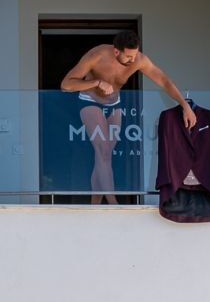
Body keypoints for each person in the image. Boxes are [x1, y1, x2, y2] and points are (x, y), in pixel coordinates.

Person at [60, 30, 195, 205]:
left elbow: (163, 80)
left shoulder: (139, 59)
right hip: (90, 100)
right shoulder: (97, 55)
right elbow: (66, 84)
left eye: (135, 54)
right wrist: (96, 82)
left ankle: (95, 204)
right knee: (103, 151)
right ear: (116, 51)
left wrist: (185, 106)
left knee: (104, 154)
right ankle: (113, 203)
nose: (133, 60)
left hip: (114, 103)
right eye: (128, 56)